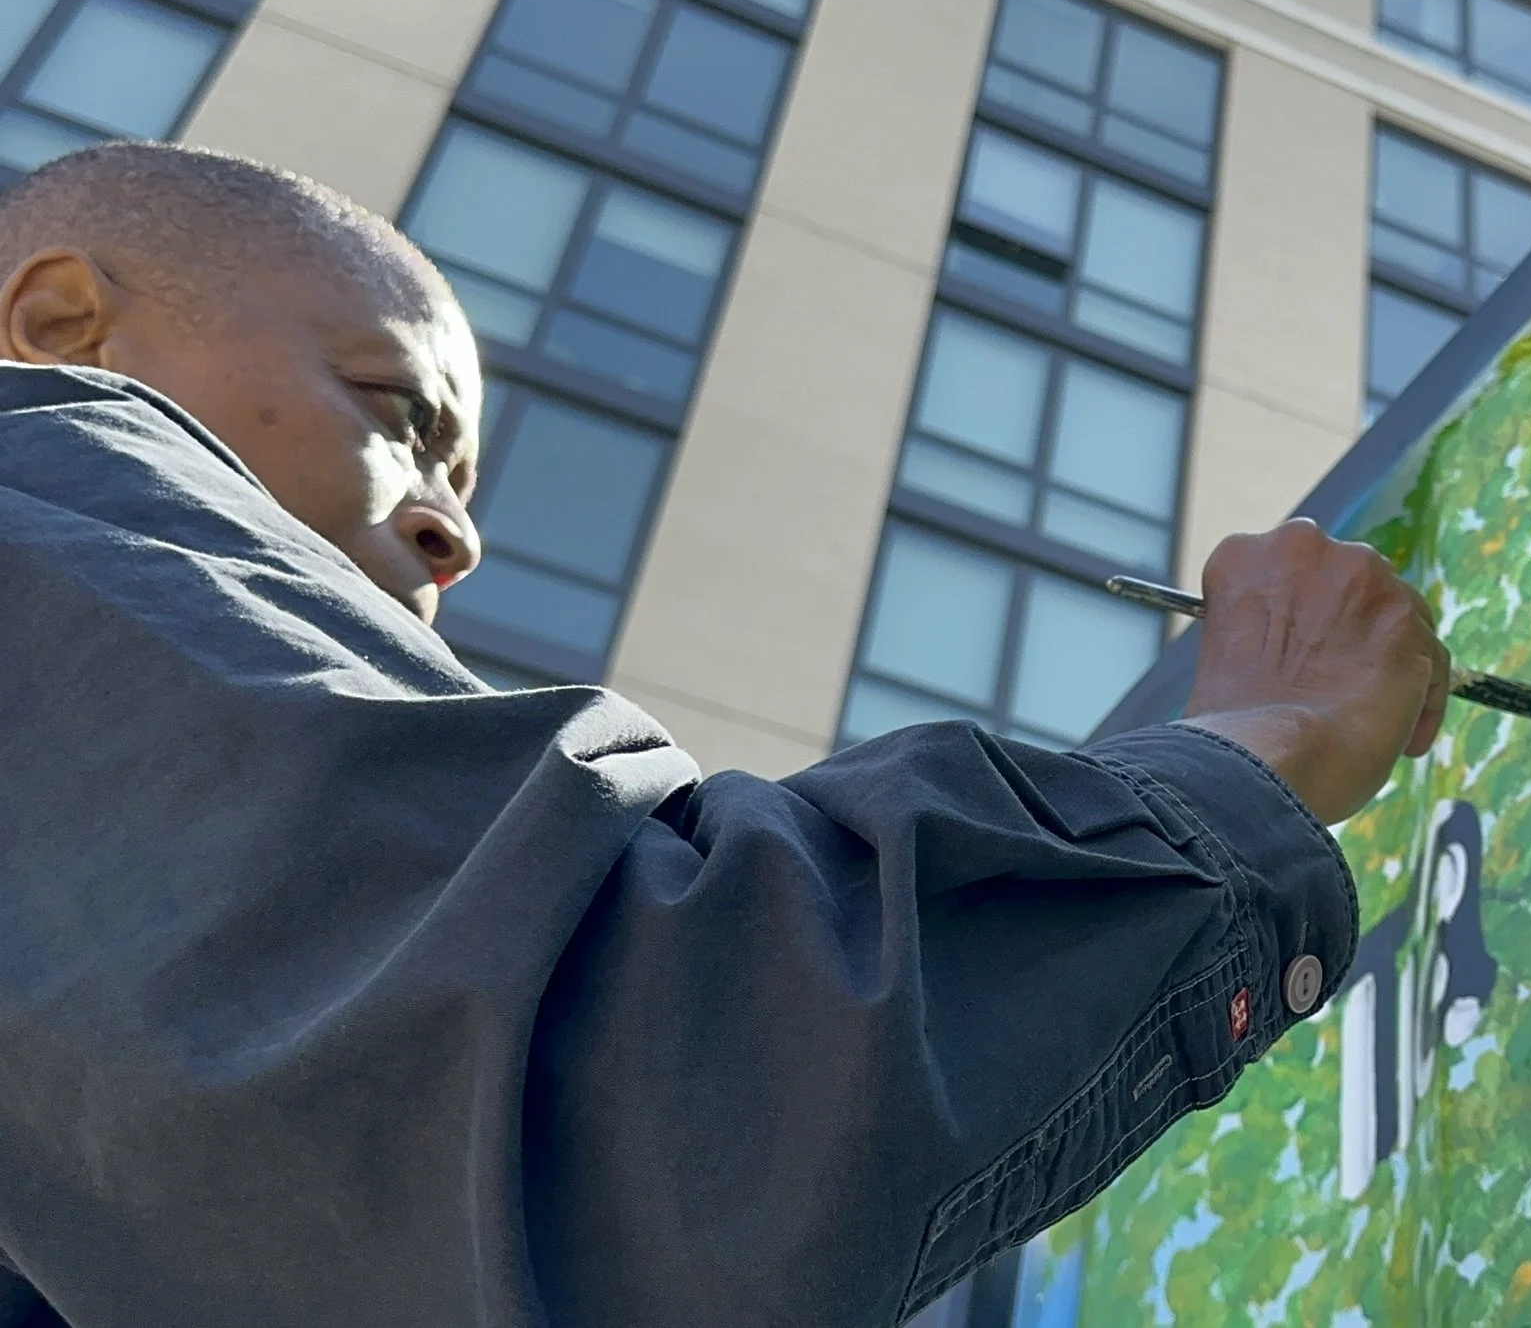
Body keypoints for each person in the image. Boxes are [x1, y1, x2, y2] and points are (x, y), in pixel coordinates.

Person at [0, 142, 1450, 1327]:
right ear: (60, 325)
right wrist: (1269, 740)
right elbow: (657, 1114)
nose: (453, 533)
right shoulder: (39, 483)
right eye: (393, 410)